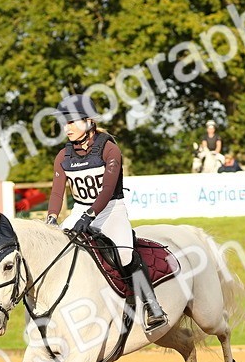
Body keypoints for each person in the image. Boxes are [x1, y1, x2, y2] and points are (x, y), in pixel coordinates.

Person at [46, 93, 168, 334]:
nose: (66, 127)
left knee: (124, 253)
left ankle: (152, 306)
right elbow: (57, 194)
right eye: (64, 122)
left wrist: (89, 215)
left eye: (72, 121)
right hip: (80, 209)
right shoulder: (63, 156)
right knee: (56, 250)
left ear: (89, 122)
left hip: (111, 209)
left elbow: (107, 189)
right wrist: (51, 218)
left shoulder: (110, 149)